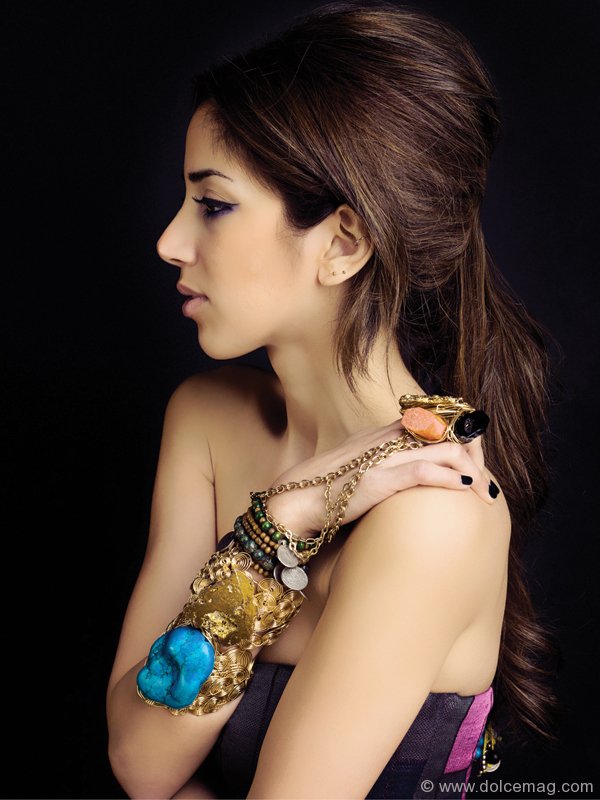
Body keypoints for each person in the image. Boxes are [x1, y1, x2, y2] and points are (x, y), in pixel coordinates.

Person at [106, 2, 558, 797]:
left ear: (343, 244)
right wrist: (281, 522)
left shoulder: (436, 515)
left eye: (212, 205)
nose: (170, 243)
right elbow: (140, 764)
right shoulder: (206, 420)